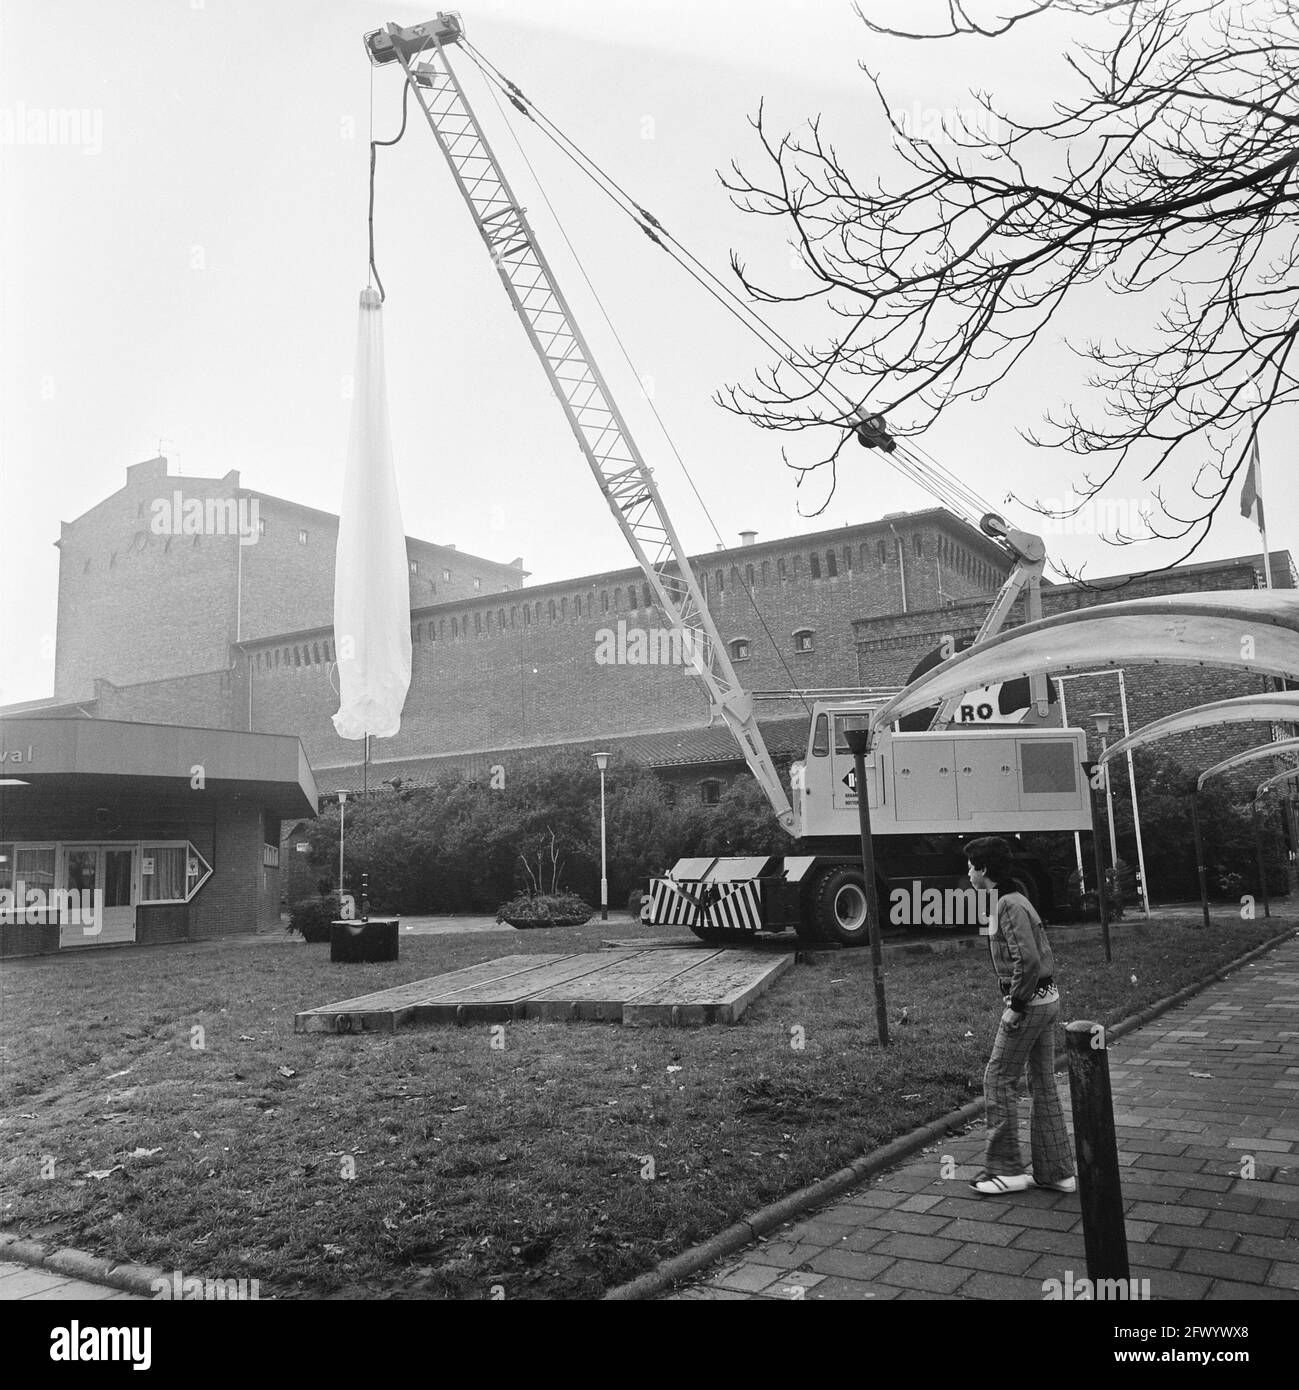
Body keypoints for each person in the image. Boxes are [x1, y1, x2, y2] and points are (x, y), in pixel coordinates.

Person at [964, 836, 1076, 1196]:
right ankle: (1056, 1171)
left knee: (998, 1079)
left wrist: (1015, 1006)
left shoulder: (1006, 906)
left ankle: (1006, 1170)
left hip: (1029, 1004)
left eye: (970, 866)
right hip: (1048, 1000)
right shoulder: (1016, 899)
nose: (968, 872)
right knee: (1042, 1082)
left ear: (983, 869)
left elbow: (1026, 961)